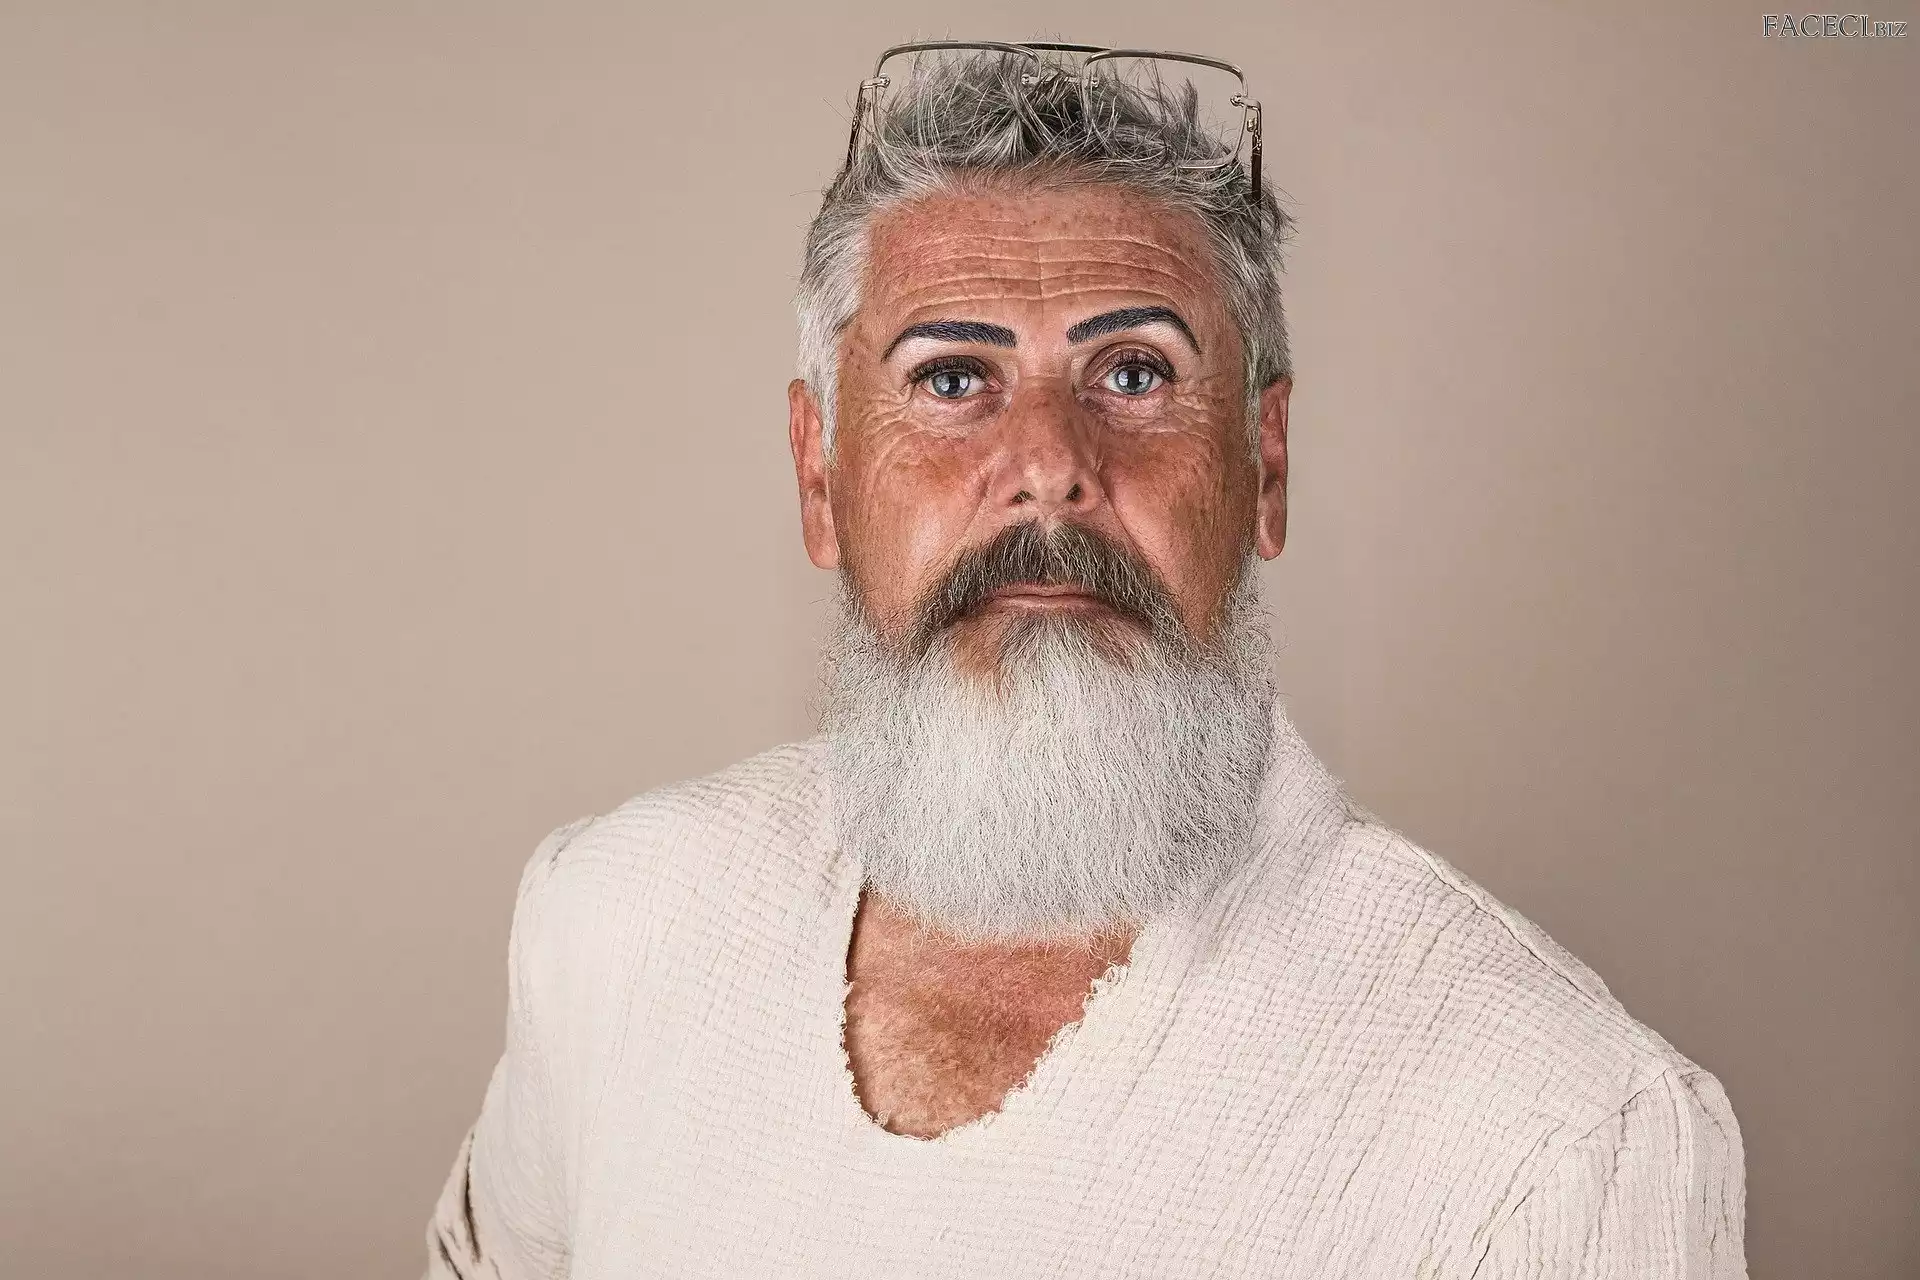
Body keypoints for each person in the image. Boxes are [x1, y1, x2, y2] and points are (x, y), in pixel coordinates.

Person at [425, 43, 1745, 1278]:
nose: (1050, 464)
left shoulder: (1554, 1133)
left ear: (1264, 463)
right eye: (952, 379)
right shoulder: (615, 921)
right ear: (820, 475)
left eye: (1133, 374)